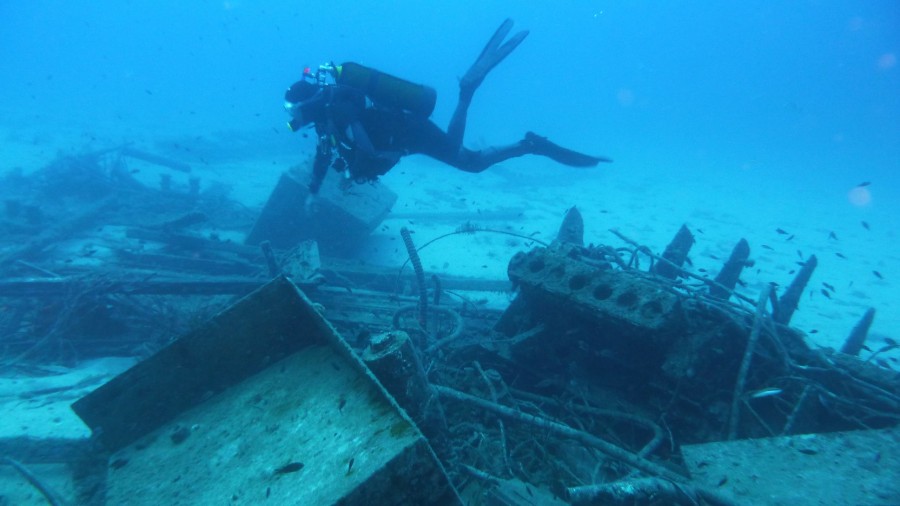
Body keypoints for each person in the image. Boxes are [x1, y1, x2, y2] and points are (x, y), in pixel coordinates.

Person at [283, 19, 610, 199]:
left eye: (292, 112)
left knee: (462, 156)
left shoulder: (338, 109)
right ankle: (529, 145)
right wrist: (314, 190)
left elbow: (367, 148)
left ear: (304, 104)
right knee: (470, 161)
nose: (293, 119)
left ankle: (467, 91)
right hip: (406, 134)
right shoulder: (328, 118)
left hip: (410, 132)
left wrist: (370, 166)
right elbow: (324, 155)